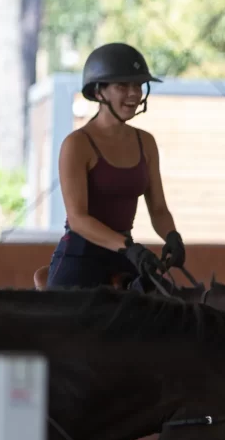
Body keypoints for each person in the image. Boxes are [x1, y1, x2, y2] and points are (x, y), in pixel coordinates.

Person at [45, 42, 185, 289]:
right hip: (81, 257)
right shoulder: (77, 144)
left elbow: (158, 209)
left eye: (138, 86)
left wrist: (172, 236)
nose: (133, 94)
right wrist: (129, 248)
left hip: (125, 256)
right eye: (122, 86)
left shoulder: (146, 142)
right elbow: (78, 219)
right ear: (99, 92)